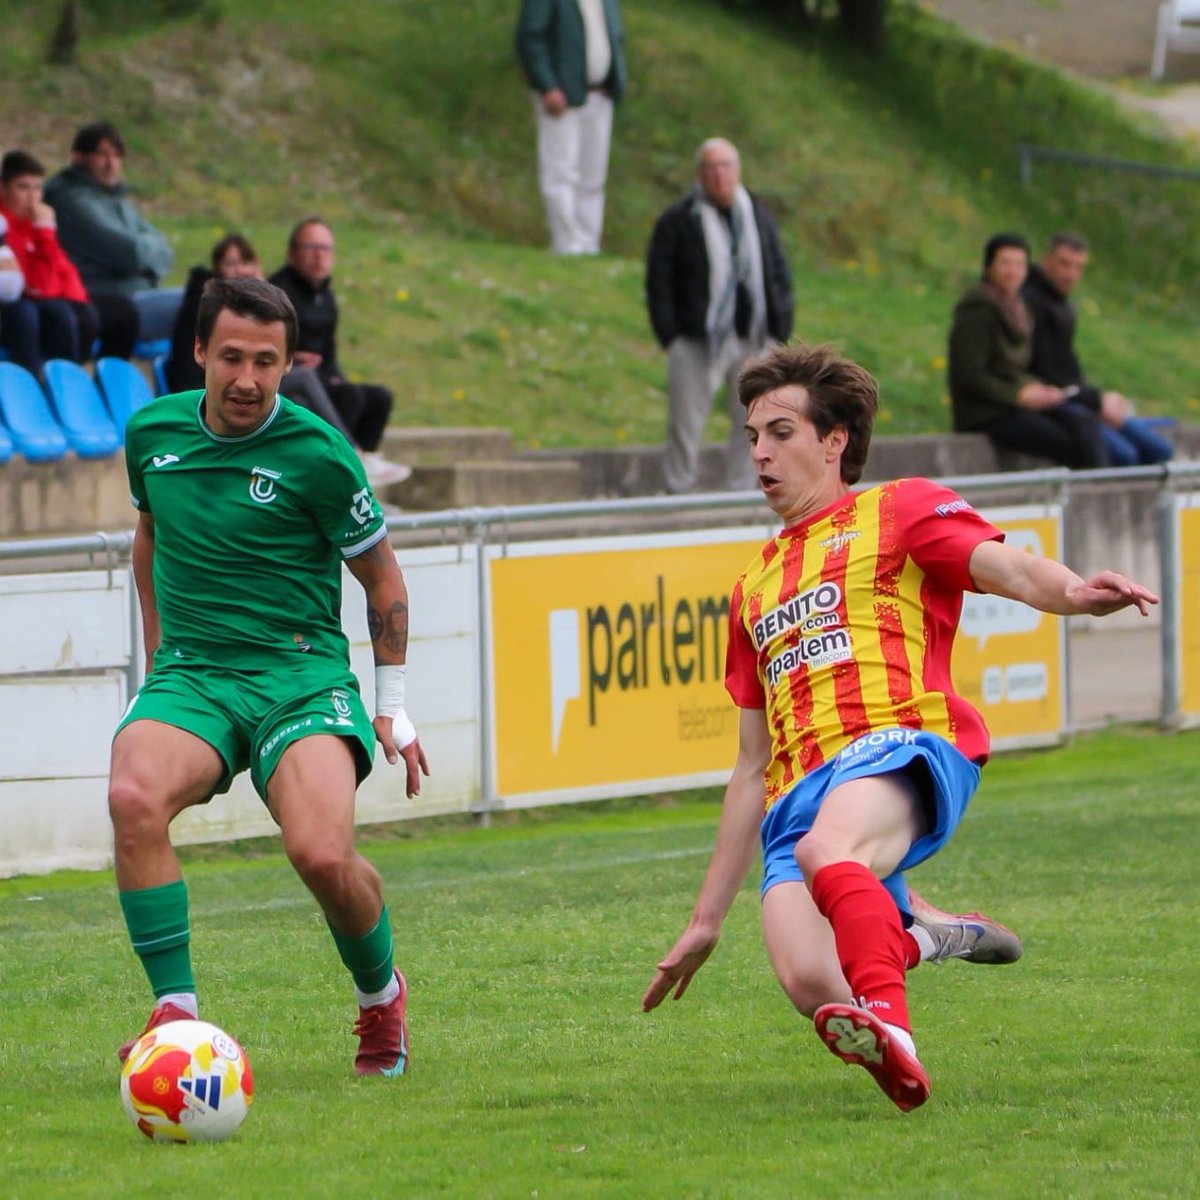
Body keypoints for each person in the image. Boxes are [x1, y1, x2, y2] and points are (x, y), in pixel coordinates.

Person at [643, 342, 1157, 1112]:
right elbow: (752, 765)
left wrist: (1075, 591)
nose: (760, 452)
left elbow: (1007, 567)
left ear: (834, 440)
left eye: (780, 432)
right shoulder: (751, 588)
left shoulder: (900, 509)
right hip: (799, 793)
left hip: (900, 745)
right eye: (752, 436)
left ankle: (896, 1033)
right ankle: (920, 931)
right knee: (812, 982)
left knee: (829, 851)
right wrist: (704, 921)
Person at [109, 276, 429, 1076]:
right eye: (230, 358)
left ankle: (380, 995)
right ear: (198, 354)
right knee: (131, 798)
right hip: (196, 675)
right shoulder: (151, 433)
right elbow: (149, 537)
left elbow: (383, 579)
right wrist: (159, 652)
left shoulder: (321, 455)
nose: (246, 379)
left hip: (300, 675)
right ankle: (175, 1016)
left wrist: (393, 707)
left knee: (321, 855)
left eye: (265, 362)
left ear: (289, 363)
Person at [166, 234, 407, 487]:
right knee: (304, 382)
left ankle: (349, 485)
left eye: (245, 262)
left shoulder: (285, 303)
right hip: (197, 383)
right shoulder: (207, 303)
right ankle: (353, 457)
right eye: (230, 263)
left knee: (356, 396)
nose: (239, 270)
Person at [645, 138, 794, 494]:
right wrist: (671, 336)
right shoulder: (680, 220)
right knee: (685, 419)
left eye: (725, 165)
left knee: (755, 420)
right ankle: (677, 490)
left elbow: (777, 271)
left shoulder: (757, 214)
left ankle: (743, 491)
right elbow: (659, 281)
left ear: (737, 170)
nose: (718, 174)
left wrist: (779, 326)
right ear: (699, 174)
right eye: (710, 167)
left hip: (753, 338)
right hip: (697, 339)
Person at [948, 233, 1108, 470]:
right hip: (986, 413)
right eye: (1005, 263)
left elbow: (1017, 368)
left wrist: (1037, 389)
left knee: (1082, 422)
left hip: (1012, 405)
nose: (1012, 271)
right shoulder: (977, 308)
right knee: (1074, 442)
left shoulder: (1019, 308)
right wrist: (1018, 395)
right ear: (989, 266)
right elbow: (970, 374)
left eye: (1019, 264)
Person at [269, 219, 409, 487]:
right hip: (289, 380)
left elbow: (329, 353)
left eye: (325, 248)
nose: (319, 255)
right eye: (311, 247)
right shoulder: (278, 293)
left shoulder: (327, 298)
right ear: (292, 253)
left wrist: (336, 376)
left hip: (321, 378)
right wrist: (294, 357)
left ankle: (362, 473)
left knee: (377, 397)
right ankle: (350, 462)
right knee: (347, 398)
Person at [1023, 233, 1173, 468]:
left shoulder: (1061, 304)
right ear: (1046, 260)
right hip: (1055, 404)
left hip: (1079, 400)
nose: (1070, 274)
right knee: (1127, 455)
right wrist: (1097, 402)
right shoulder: (1030, 300)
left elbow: (1068, 366)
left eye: (1078, 267)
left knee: (1160, 449)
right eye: (1064, 264)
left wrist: (1098, 400)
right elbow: (1045, 370)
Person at [43, 122, 164, 358]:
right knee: (200, 305)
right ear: (78, 157)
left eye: (117, 155)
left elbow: (165, 250)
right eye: (102, 154)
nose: (111, 164)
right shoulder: (73, 201)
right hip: (109, 297)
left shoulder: (116, 198)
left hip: (135, 292)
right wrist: (148, 253)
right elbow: (130, 253)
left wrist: (145, 251)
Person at [515, 0, 627, 255]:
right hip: (563, 95)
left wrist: (616, 76)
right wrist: (547, 84)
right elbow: (530, 37)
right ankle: (566, 242)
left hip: (600, 94)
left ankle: (588, 242)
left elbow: (613, 34)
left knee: (593, 174)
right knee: (560, 172)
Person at [0, 149, 101, 375]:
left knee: (90, 314)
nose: (32, 197)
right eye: (23, 187)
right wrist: (45, 231)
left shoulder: (34, 224)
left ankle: (77, 383)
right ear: (3, 189)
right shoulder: (9, 226)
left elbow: (63, 277)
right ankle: (41, 384)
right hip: (19, 303)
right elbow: (36, 287)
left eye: (37, 188)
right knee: (46, 314)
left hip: (40, 298)